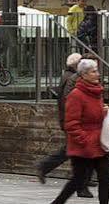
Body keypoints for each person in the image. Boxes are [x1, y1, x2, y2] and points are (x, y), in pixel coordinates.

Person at [47, 58, 109, 204]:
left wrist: (105, 112)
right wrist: (84, 140)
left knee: (106, 179)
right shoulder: (76, 95)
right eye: (93, 71)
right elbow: (71, 124)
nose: (97, 74)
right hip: (82, 146)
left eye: (97, 71)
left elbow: (96, 116)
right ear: (84, 75)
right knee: (78, 181)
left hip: (98, 143)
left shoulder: (97, 91)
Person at [33, 53, 92, 196]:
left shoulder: (71, 77)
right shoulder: (71, 78)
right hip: (71, 121)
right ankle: (46, 167)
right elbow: (68, 100)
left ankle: (82, 180)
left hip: (71, 120)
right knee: (72, 150)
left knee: (75, 150)